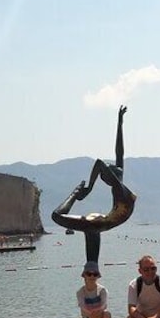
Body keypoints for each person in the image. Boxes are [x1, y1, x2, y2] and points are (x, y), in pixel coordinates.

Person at [51, 105, 137, 263]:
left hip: (112, 218)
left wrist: (87, 189)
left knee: (57, 216)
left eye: (105, 175)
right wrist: (119, 123)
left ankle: (75, 193)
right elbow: (119, 151)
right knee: (92, 226)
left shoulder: (118, 185)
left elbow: (99, 163)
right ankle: (92, 267)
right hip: (112, 218)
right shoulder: (120, 181)